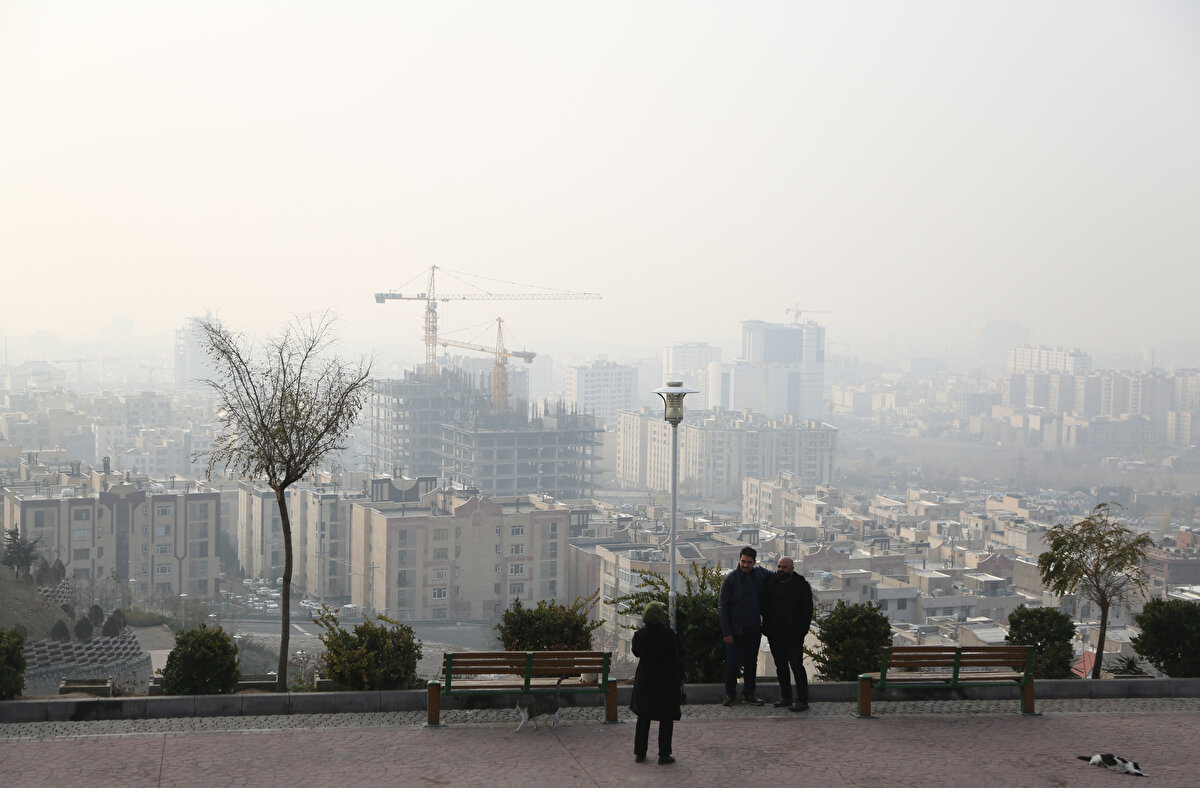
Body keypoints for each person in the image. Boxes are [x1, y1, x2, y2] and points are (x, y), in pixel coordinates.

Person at [630, 601, 684, 765]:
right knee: (666, 717)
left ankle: (640, 752)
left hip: (645, 681)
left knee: (643, 717)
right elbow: (679, 652)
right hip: (666, 681)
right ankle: (664, 754)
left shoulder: (639, 635)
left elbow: (636, 652)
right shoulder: (670, 635)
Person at [718, 546, 771, 706]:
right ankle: (730, 695)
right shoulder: (730, 579)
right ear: (739, 560)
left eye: (749, 562)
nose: (746, 565)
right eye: (743, 561)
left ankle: (749, 693)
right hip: (734, 630)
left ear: (754, 562)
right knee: (732, 663)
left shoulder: (759, 575)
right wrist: (727, 632)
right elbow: (722, 606)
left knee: (750, 663)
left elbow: (776, 578)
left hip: (753, 628)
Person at [762, 556, 814, 712]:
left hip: (793, 635)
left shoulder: (801, 586)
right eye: (778, 566)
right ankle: (786, 697)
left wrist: (801, 632)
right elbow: (765, 607)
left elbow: (807, 611)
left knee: (796, 666)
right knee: (781, 666)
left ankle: (802, 700)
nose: (780, 570)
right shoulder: (771, 584)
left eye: (784, 567)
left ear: (792, 569)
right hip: (775, 634)